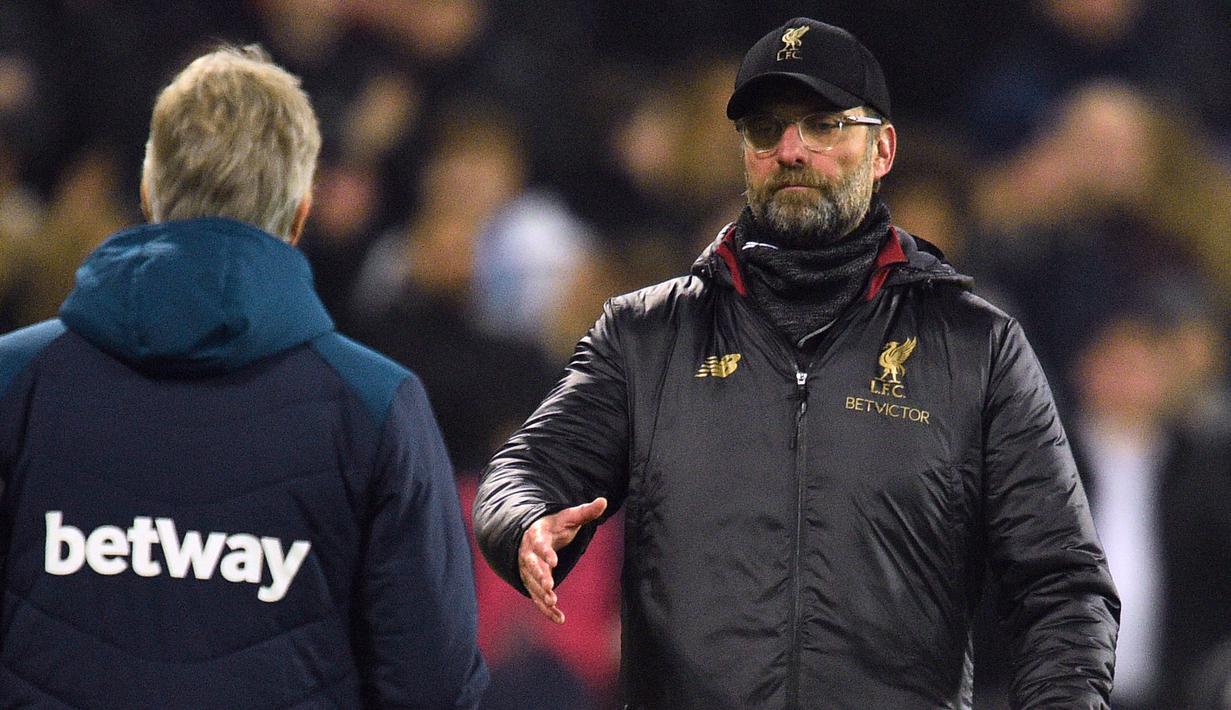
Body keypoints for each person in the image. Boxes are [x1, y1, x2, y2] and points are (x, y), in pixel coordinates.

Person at [473, 18, 1119, 708]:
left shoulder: (974, 347)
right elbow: (525, 471)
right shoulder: (646, 336)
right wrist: (524, 522)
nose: (790, 150)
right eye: (764, 129)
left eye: (823, 126)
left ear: (882, 149)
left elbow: (1060, 583)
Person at [0, 46, 487, 708]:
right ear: (300, 213)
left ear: (148, 193)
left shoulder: (16, 381)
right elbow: (432, 683)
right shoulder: (376, 410)